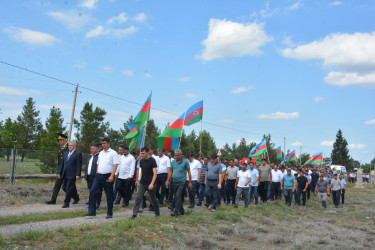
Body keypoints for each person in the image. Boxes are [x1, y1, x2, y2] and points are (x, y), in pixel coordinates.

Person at [85, 138, 120, 219]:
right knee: (93, 191)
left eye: (104, 143)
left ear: (108, 144)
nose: (103, 145)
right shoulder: (100, 153)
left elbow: (115, 164)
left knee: (109, 195)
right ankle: (92, 211)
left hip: (108, 176)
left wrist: (112, 175)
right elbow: (98, 163)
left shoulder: (113, 153)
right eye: (102, 143)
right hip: (98, 176)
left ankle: (109, 213)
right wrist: (97, 172)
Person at [131, 147, 160, 219]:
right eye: (141, 153)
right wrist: (138, 180)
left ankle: (157, 212)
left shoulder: (152, 161)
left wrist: (152, 184)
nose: (142, 155)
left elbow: (155, 174)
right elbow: (142, 172)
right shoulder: (141, 161)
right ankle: (134, 214)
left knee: (153, 198)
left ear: (147, 153)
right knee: (138, 197)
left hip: (150, 183)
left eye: (143, 153)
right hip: (142, 183)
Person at [165, 149, 192, 216]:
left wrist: (190, 182)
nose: (175, 156)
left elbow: (189, 172)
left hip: (182, 182)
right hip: (174, 182)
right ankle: (182, 210)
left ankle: (176, 211)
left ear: (180, 155)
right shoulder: (173, 162)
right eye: (175, 155)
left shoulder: (185, 162)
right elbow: (170, 171)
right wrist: (167, 180)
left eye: (177, 155)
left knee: (178, 196)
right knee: (177, 197)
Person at [45, 133, 69, 205]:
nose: (59, 142)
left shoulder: (68, 148)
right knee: (57, 185)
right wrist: (59, 170)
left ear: (65, 140)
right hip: (60, 170)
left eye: (61, 140)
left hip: (66, 170)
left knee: (66, 186)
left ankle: (75, 197)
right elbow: (59, 161)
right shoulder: (59, 148)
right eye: (59, 140)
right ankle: (53, 200)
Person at [57, 141, 82, 208]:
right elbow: (62, 164)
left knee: (69, 188)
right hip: (65, 174)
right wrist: (59, 172)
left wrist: (78, 174)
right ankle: (76, 197)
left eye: (71, 145)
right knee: (64, 187)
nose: (69, 146)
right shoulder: (66, 153)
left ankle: (66, 203)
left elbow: (79, 165)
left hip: (72, 174)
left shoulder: (78, 154)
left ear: (74, 146)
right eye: (69, 145)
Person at [84, 143, 101, 208]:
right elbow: (87, 166)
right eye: (91, 149)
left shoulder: (99, 156)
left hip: (96, 176)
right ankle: (91, 202)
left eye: (93, 149)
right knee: (90, 189)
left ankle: (97, 203)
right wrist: (86, 174)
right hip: (89, 176)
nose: (92, 150)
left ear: (97, 149)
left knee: (97, 190)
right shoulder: (90, 156)